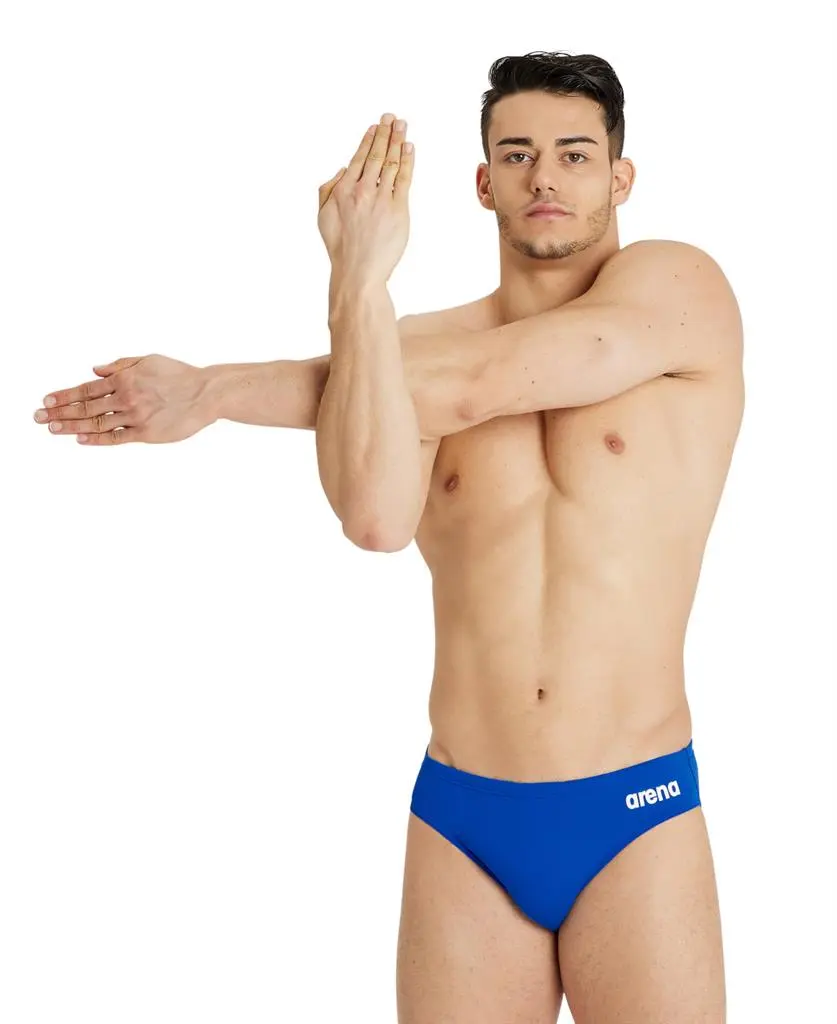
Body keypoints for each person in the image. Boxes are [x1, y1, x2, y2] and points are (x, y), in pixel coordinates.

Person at [33, 51, 743, 1024]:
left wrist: (218, 389)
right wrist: (358, 282)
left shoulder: (680, 287)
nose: (544, 176)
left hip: (635, 807)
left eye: (575, 155)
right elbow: (373, 519)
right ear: (482, 182)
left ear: (620, 177)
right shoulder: (399, 346)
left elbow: (481, 382)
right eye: (518, 154)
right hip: (464, 814)